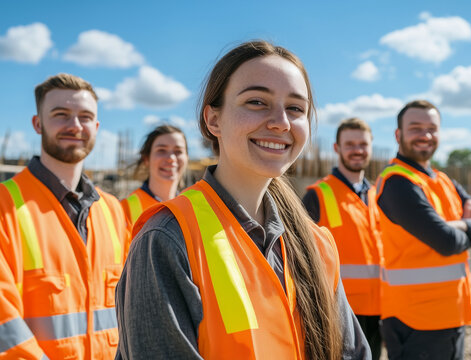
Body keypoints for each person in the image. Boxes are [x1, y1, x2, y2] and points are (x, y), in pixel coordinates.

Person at [115, 40, 370, 360]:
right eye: (256, 102)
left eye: (295, 108)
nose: (281, 122)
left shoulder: (317, 244)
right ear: (213, 120)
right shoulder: (168, 238)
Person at [0, 73, 130, 359]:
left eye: (85, 117)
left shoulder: (113, 211)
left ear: (96, 127)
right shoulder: (4, 206)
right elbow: (4, 329)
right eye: (61, 115)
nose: (75, 126)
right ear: (38, 124)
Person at [375, 100, 471, 360]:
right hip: (415, 322)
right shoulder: (397, 183)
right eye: (415, 128)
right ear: (398, 135)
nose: (425, 135)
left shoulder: (444, 181)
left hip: (451, 314)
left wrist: (463, 225)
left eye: (432, 128)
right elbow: (446, 242)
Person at [303, 117, 383, 359]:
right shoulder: (317, 195)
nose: (357, 150)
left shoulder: (377, 195)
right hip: (341, 313)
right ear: (337, 149)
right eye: (350, 144)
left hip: (381, 309)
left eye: (363, 144)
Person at [121, 124, 188, 227]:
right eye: (161, 150)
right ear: (146, 159)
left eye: (178, 151)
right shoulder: (123, 209)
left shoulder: (191, 209)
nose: (171, 158)